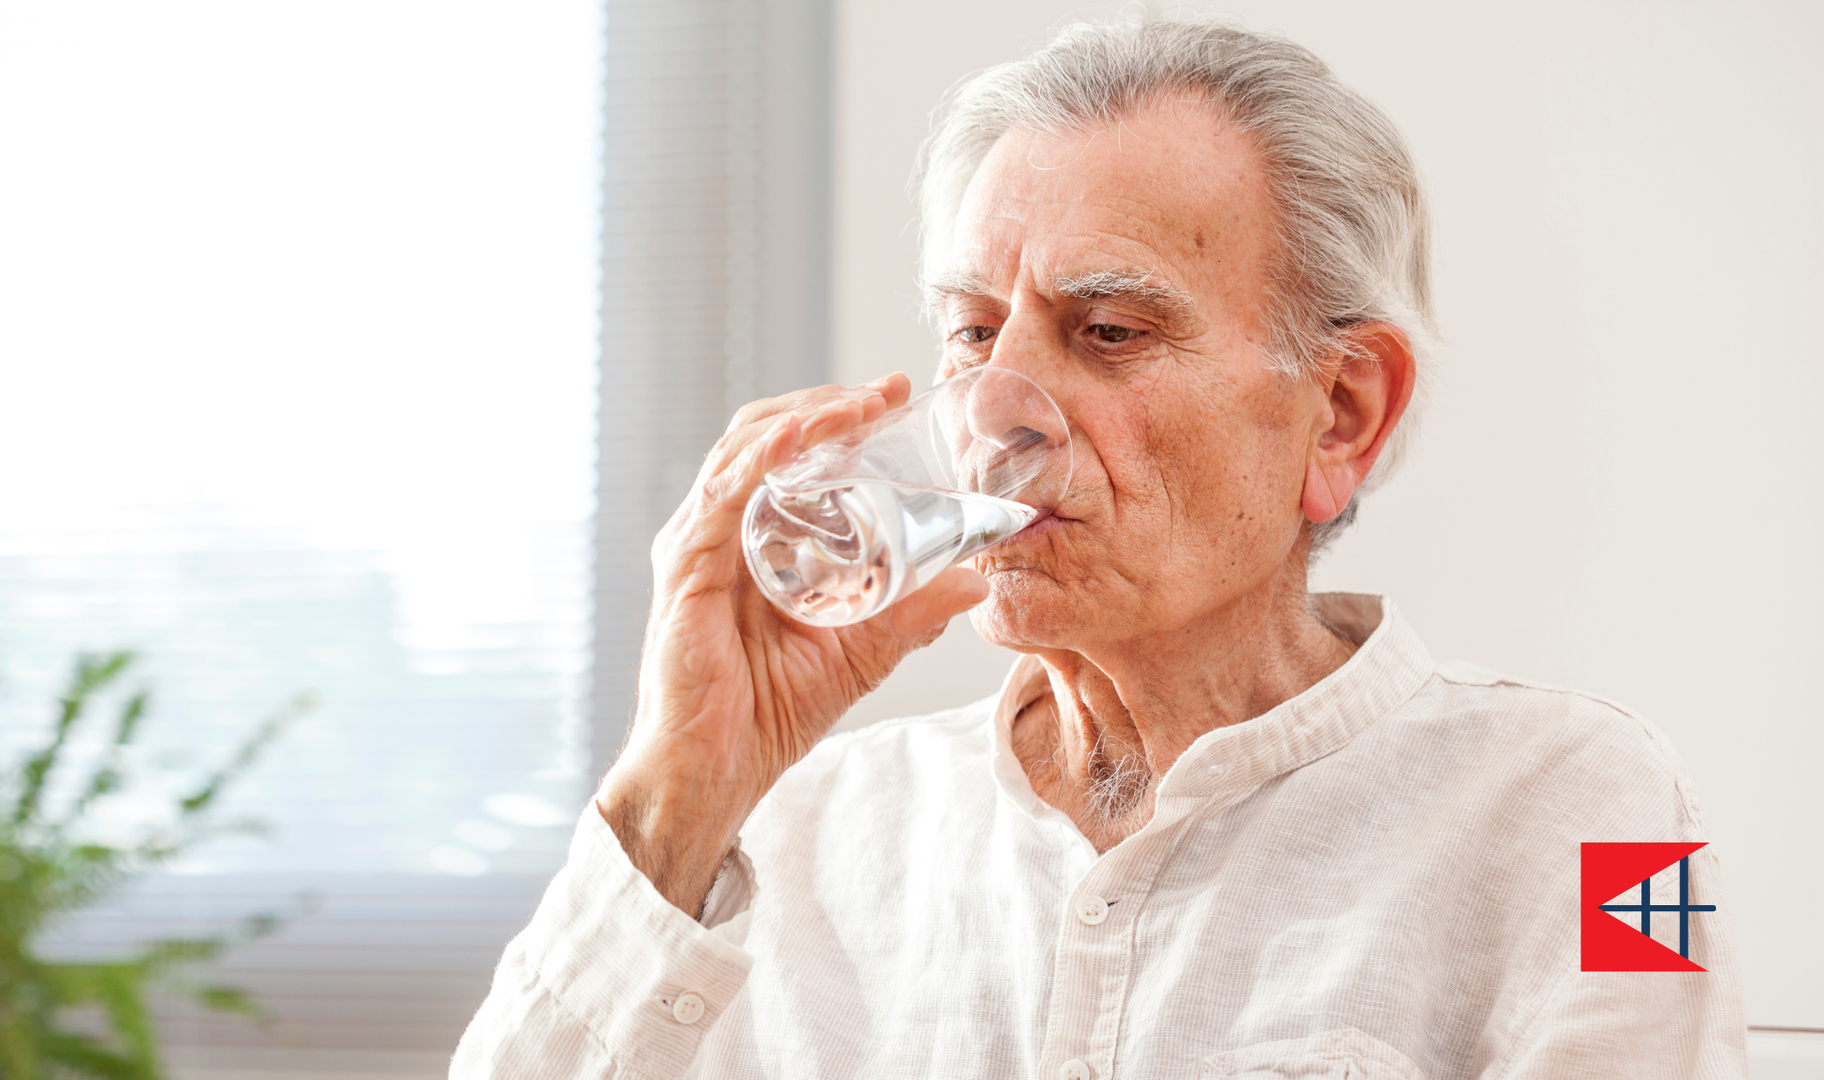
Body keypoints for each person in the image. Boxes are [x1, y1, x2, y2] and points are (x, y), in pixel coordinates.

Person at [452, 18, 1746, 1079]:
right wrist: (682, 781)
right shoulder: (803, 828)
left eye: (1110, 330)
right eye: (969, 332)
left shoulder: (1590, 813)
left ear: (1341, 413)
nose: (993, 407)